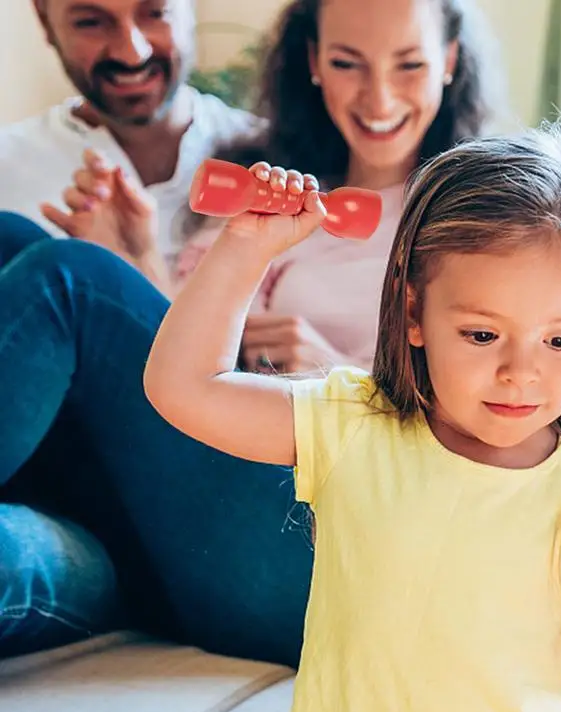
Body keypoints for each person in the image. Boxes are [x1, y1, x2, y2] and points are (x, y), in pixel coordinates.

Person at [143, 122, 561, 712]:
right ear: (414, 312)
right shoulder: (355, 426)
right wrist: (247, 247)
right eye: (482, 334)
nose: (520, 374)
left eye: (560, 341)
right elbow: (183, 389)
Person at [0, 0, 502, 659]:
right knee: (14, 241)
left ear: (449, 62)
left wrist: (342, 378)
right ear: (315, 64)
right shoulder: (277, 189)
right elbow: (177, 369)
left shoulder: (483, 218)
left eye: (407, 64)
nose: (379, 96)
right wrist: (139, 258)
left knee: (69, 278)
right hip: (200, 488)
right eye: (349, 63)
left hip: (317, 523)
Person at [0, 0, 263, 271]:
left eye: (156, 14)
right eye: (90, 22)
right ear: (45, 21)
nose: (132, 54)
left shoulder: (275, 163)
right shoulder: (7, 170)